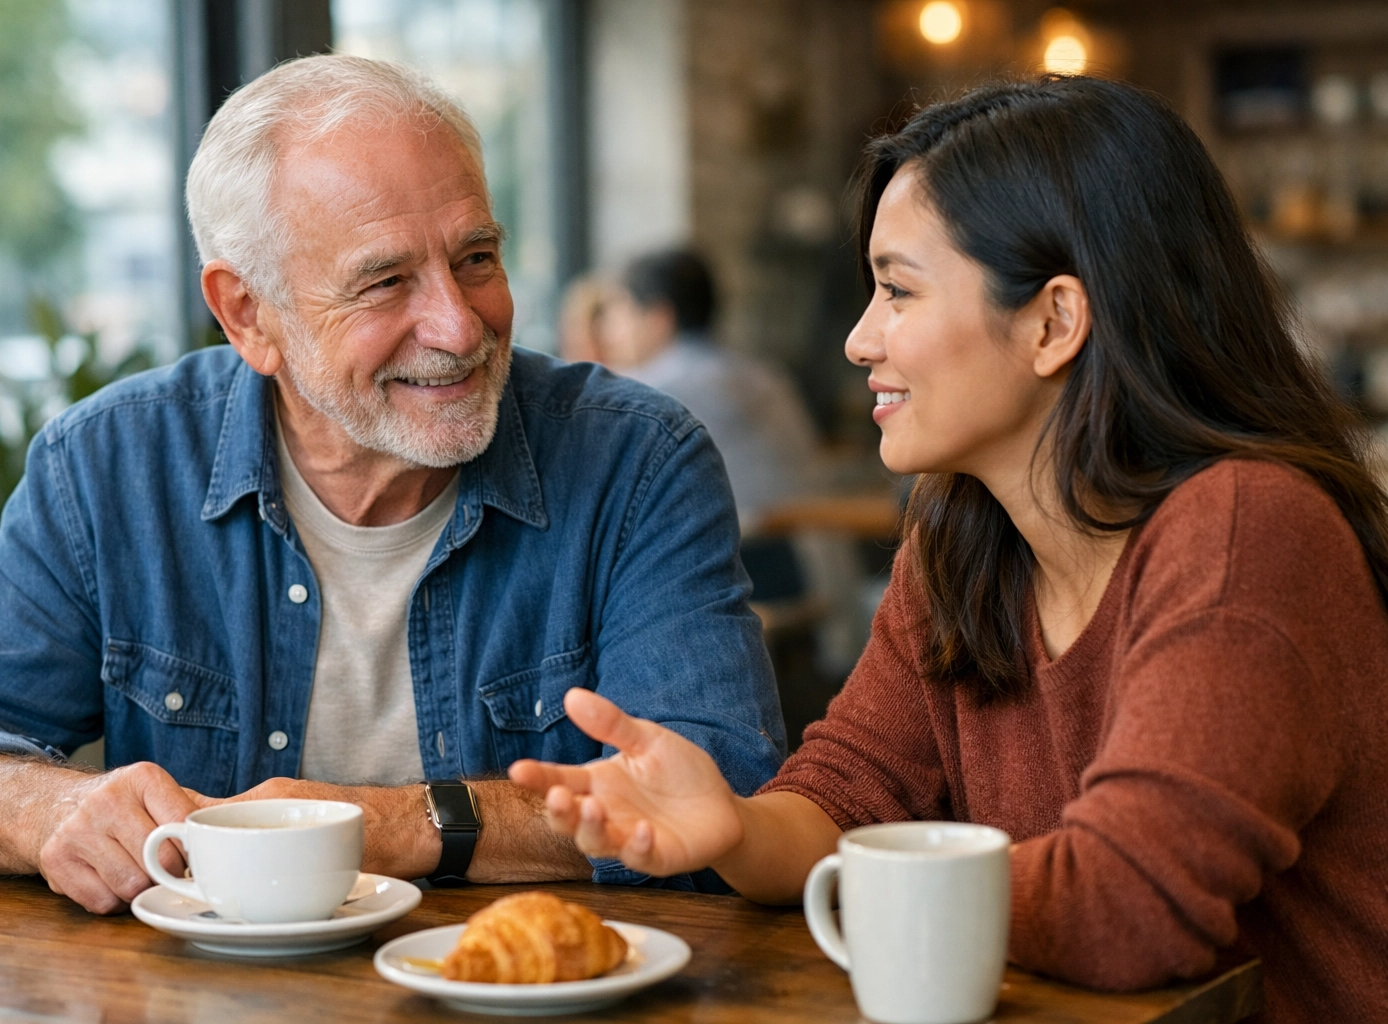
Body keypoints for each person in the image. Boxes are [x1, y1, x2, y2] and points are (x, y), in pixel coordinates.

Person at [511, 76, 1388, 1022]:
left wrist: (867, 877)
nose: (859, 339)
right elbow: (843, 798)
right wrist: (731, 826)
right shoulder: (963, 543)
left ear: (1055, 320)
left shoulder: (1247, 531)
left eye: (898, 290)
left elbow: (1126, 905)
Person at [0, 56, 784, 914]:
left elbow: (723, 796)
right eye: (385, 282)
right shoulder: (110, 465)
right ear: (247, 314)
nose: (459, 327)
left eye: (476, 259)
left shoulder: (637, 460)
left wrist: (383, 824)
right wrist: (47, 808)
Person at [600, 249, 822, 531]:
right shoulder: (765, 374)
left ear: (658, 318)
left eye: (618, 313)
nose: (608, 331)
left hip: (760, 557)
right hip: (816, 560)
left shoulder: (659, 390)